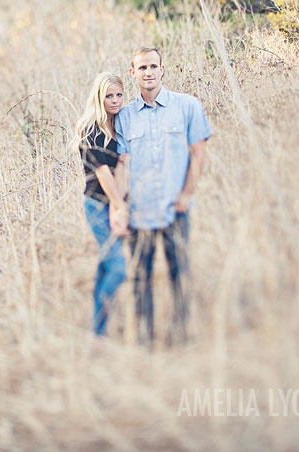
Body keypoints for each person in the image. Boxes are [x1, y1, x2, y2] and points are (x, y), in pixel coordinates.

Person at [115, 47, 212, 345]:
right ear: (133, 73)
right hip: (140, 213)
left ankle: (182, 337)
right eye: (142, 67)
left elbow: (198, 153)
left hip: (175, 208)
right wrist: (119, 208)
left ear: (162, 69)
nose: (148, 72)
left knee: (179, 273)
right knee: (140, 280)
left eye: (153, 66)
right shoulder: (125, 116)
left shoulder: (187, 106)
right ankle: (144, 341)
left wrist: (186, 195)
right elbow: (121, 165)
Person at [72, 73, 130, 336]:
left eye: (119, 95)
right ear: (99, 96)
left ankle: (98, 333)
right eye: (109, 96)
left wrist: (121, 207)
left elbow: (123, 167)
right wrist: (118, 208)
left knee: (106, 267)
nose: (115, 100)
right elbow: (103, 173)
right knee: (118, 268)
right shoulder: (89, 128)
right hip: (97, 205)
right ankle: (97, 330)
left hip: (118, 201)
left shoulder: (121, 126)